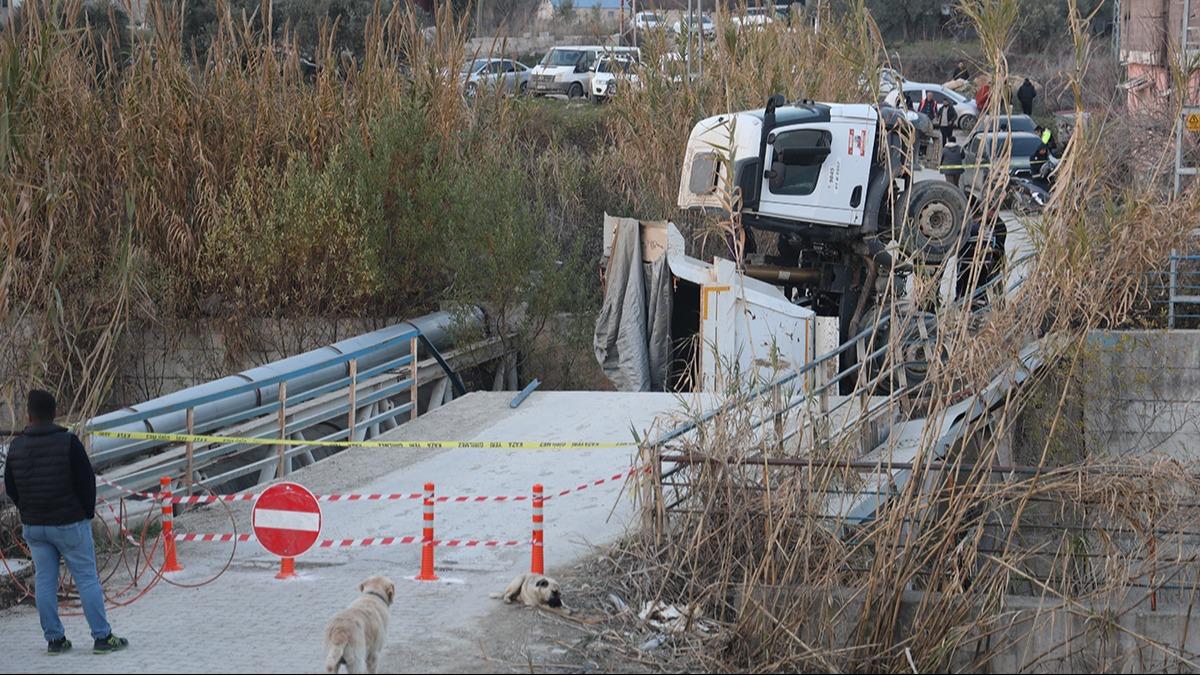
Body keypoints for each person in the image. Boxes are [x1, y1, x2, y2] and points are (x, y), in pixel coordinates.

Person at [4, 390, 128, 656]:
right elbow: (87, 482)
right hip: (69, 523)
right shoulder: (68, 442)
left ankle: (55, 640)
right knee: (86, 578)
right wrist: (86, 513)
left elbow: (11, 487)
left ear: (29, 414)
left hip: (35, 527)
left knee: (46, 581)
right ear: (55, 413)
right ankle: (102, 637)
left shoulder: (16, 446)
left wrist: (27, 510)